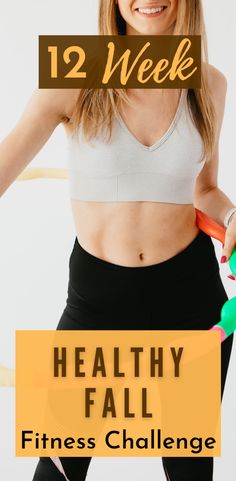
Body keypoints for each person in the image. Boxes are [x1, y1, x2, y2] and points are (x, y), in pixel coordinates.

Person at [1, 1, 235, 480]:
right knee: (58, 470)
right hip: (98, 302)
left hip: (190, 302)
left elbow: (204, 190)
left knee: (189, 472)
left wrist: (232, 214)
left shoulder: (209, 83)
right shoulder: (77, 71)